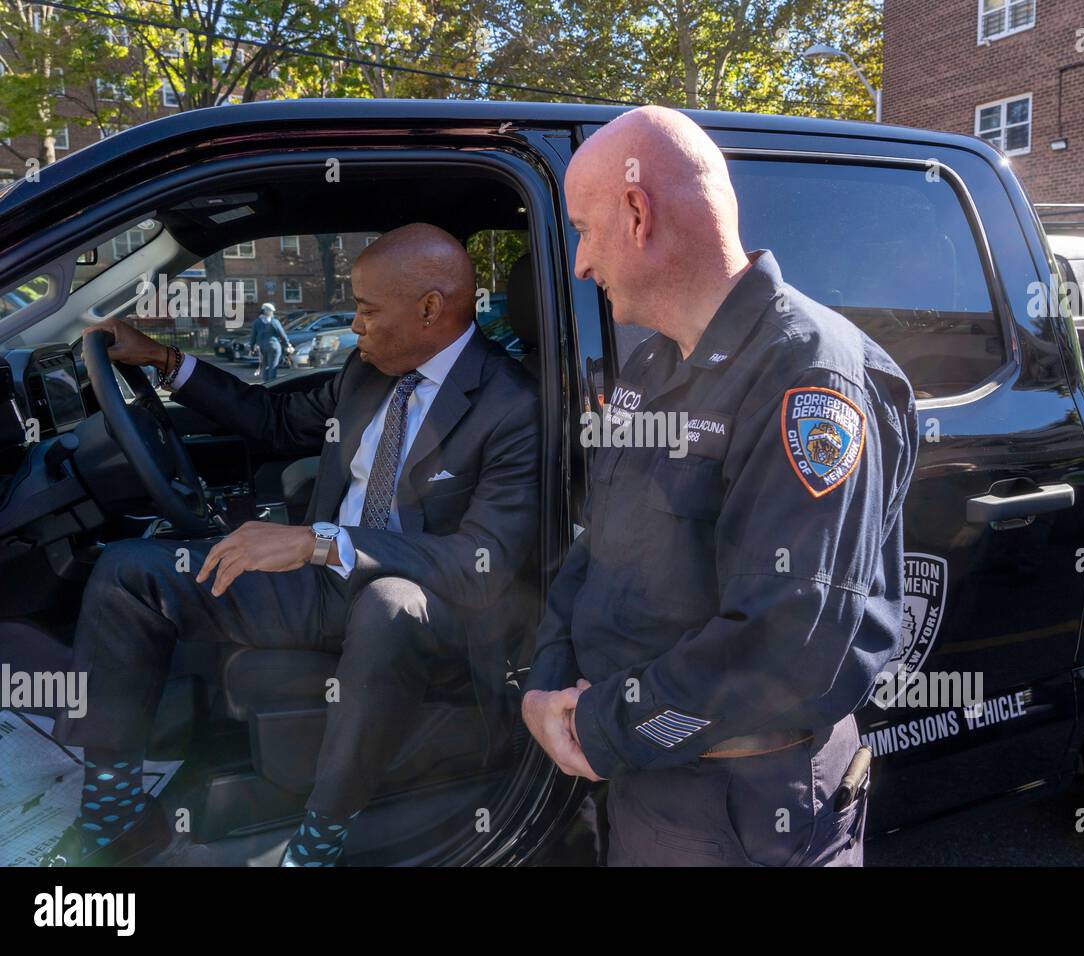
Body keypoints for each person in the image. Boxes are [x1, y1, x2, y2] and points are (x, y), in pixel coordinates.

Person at [44, 223, 540, 867]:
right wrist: (166, 361)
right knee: (128, 572)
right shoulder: (369, 372)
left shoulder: (513, 404)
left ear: (429, 307)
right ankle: (114, 812)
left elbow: (484, 565)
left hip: (433, 612)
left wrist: (319, 540)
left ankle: (322, 836)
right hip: (327, 585)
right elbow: (274, 421)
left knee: (388, 602)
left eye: (366, 310)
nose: (354, 327)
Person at [522, 106, 918, 867]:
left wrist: (605, 726)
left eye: (584, 228)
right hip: (652, 775)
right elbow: (597, 545)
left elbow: (783, 640)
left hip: (741, 802)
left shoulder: (809, 378)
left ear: (638, 212)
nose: (579, 262)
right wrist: (548, 686)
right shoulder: (652, 367)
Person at [248, 302, 293, 381]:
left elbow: (253, 336)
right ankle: (272, 385)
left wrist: (251, 348)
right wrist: (287, 344)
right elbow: (282, 334)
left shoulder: (257, 322)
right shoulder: (274, 322)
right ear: (266, 311)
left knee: (265, 366)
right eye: (271, 311)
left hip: (262, 347)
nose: (272, 313)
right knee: (273, 366)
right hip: (274, 346)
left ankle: (266, 385)